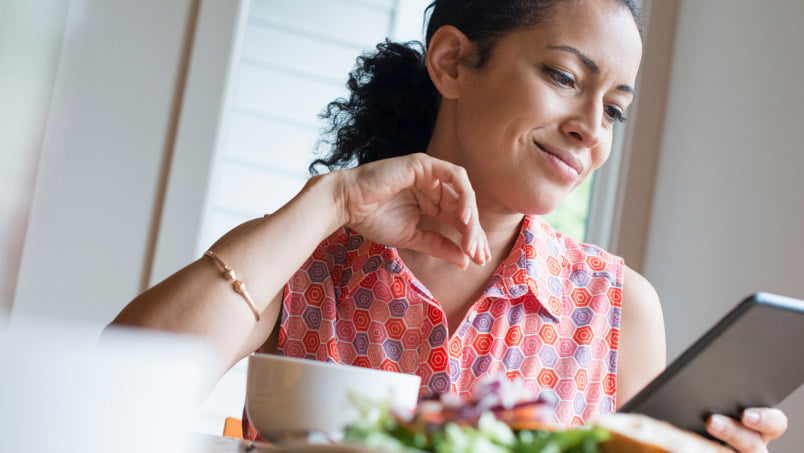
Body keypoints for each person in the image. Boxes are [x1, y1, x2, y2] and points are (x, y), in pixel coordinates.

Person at [111, 0, 788, 450]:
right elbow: (116, 385)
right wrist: (330, 201)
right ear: (453, 61)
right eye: (563, 75)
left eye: (614, 109)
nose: (590, 127)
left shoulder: (619, 309)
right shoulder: (308, 255)